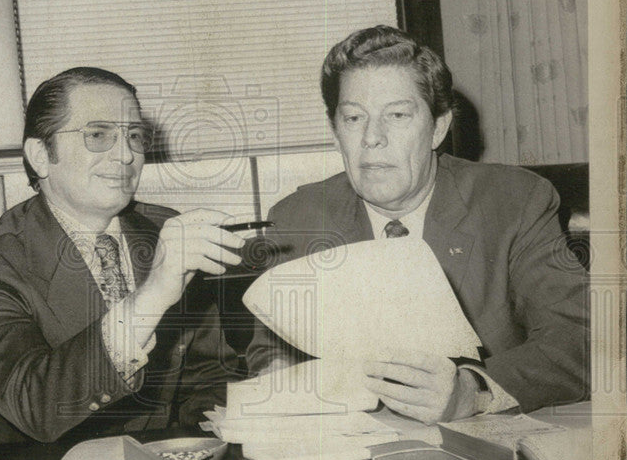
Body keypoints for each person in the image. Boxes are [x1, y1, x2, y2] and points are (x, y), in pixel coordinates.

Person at [247, 25, 589, 421]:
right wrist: (278, 377)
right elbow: (273, 346)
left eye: (397, 115)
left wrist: (473, 391)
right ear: (335, 130)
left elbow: (581, 337)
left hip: (487, 434)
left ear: (438, 128)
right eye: (354, 117)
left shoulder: (514, 201)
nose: (372, 138)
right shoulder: (298, 217)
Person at [0, 67, 246, 444]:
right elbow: (33, 404)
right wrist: (152, 296)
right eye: (98, 135)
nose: (126, 155)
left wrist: (208, 437)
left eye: (135, 136)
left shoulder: (163, 230)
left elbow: (208, 375)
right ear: (41, 156)